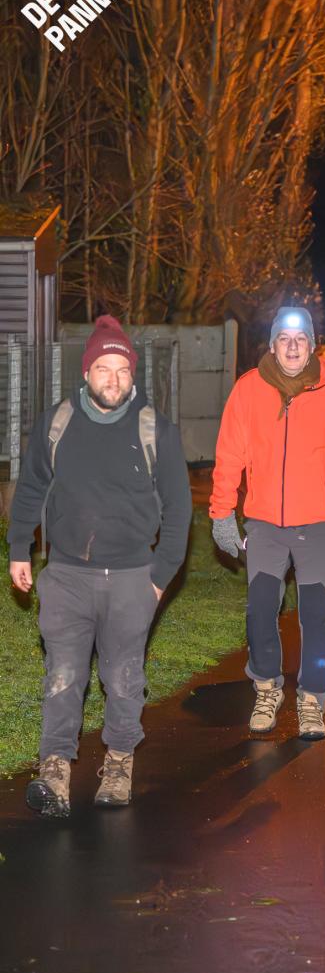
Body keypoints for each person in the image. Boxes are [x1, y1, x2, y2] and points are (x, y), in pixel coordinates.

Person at [8, 315, 192, 817]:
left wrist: (159, 579)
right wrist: (20, 547)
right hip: (67, 575)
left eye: (122, 370)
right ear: (87, 372)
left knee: (123, 676)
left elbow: (179, 511)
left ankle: (118, 762)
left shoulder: (157, 430)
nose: (114, 379)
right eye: (104, 369)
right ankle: (55, 769)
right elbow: (31, 488)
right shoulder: (57, 423)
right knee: (63, 674)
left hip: (132, 578)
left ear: (133, 374)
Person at [210, 306, 325, 741]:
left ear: (311, 346)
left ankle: (312, 698)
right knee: (260, 610)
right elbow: (229, 455)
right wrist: (222, 512)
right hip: (265, 524)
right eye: (284, 339)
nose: (291, 347)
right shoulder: (249, 389)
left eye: (300, 339)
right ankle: (267, 687)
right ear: (272, 345)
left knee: (316, 615)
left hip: (318, 525)